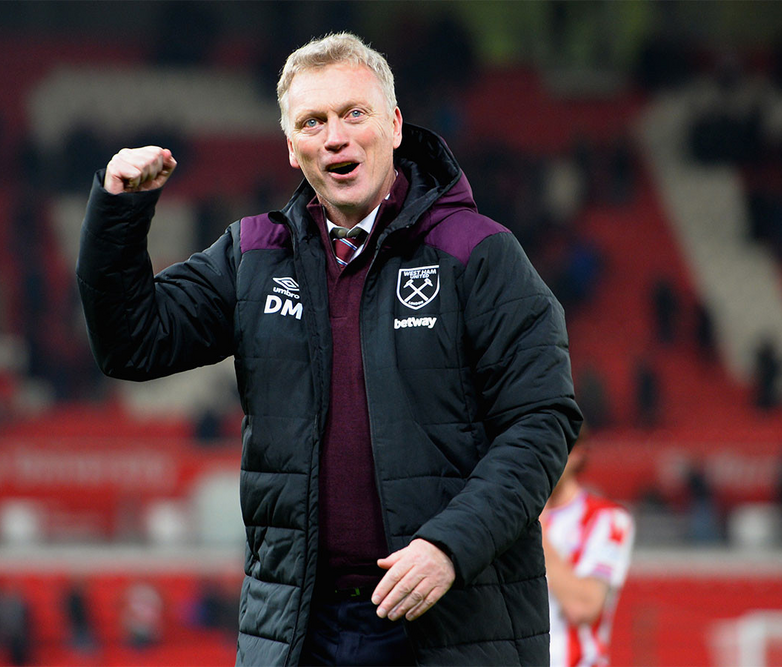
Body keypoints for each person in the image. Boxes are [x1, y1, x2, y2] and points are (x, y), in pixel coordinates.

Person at [77, 32, 582, 665]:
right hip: (298, 630)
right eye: (312, 121)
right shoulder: (253, 255)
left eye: (353, 113)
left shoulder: (478, 253)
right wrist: (118, 213)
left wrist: (450, 547)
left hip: (452, 625)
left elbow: (541, 421)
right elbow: (132, 343)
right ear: (292, 148)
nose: (335, 136)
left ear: (394, 126)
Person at [540, 440, 634, 667]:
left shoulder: (607, 520)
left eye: (551, 446)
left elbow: (583, 607)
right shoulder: (504, 517)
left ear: (578, 453)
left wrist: (536, 531)